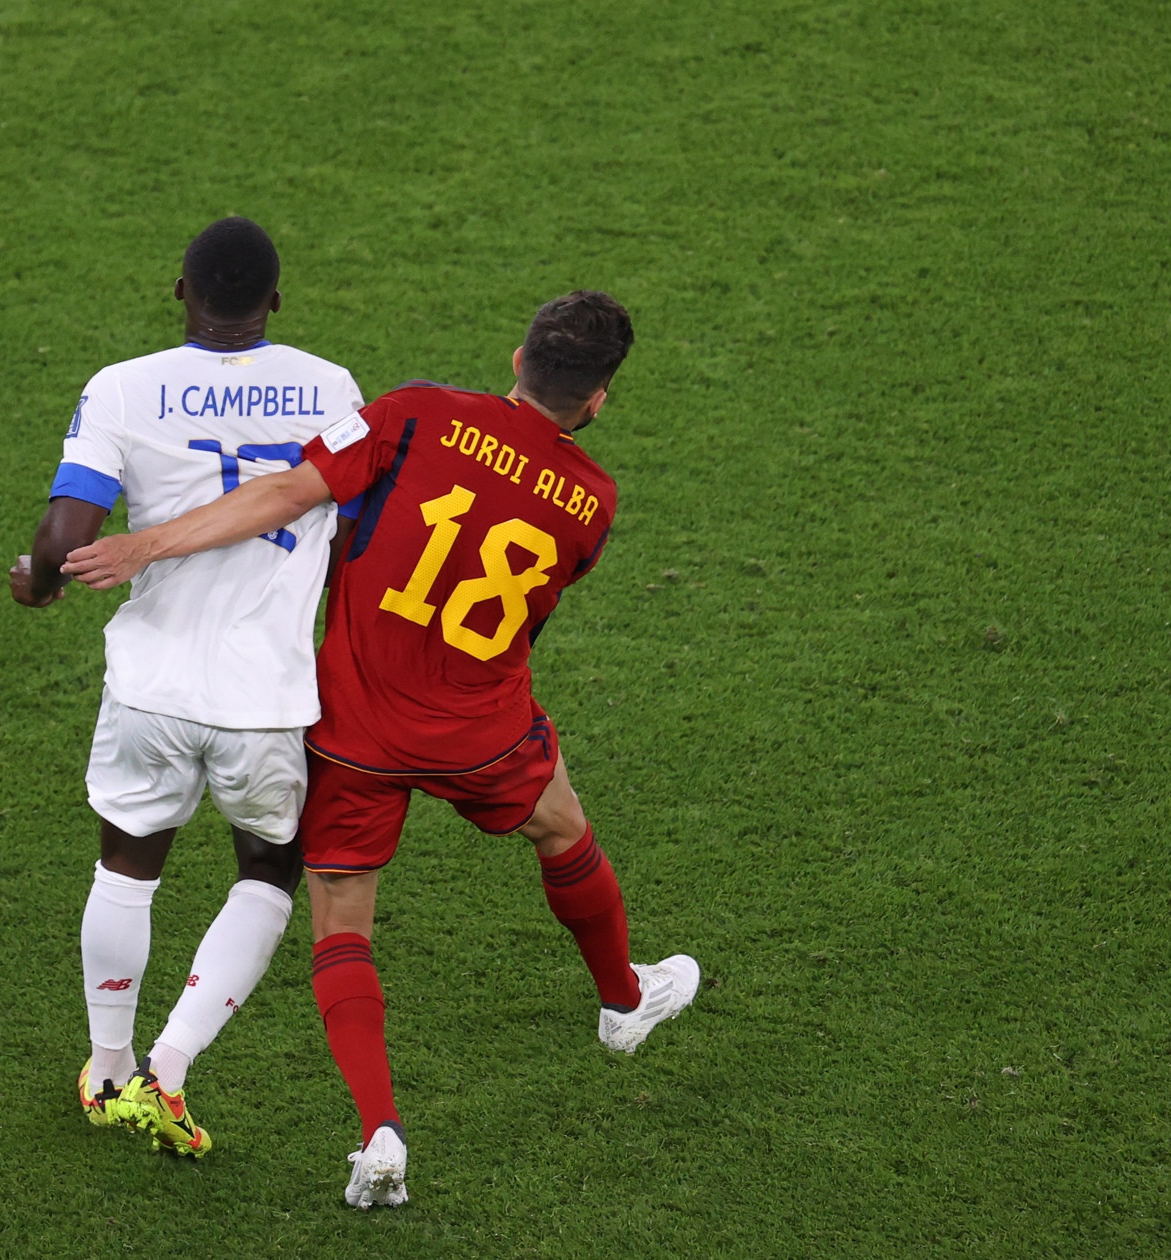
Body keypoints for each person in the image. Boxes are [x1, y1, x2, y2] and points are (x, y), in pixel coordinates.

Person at [63, 290, 698, 1208]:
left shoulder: (415, 414)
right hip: (483, 731)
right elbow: (532, 615)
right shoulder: (593, 501)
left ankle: (380, 1133)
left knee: (341, 922)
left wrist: (147, 545)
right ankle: (623, 1003)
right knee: (564, 832)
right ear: (599, 401)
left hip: (355, 733)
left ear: (517, 358)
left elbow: (290, 493)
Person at [10, 216, 365, 1158]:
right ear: (276, 301)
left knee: (126, 867)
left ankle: (109, 1066)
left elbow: (63, 535)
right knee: (269, 871)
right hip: (270, 701)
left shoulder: (123, 387)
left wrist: (39, 585)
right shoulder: (331, 388)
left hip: (152, 687)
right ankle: (170, 1066)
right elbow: (359, 530)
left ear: (181, 291)